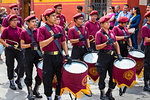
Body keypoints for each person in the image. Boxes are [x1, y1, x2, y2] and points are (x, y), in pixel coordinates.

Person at [37, 8, 72, 100]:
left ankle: (58, 95)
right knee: (48, 77)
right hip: (48, 56)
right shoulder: (42, 29)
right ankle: (49, 96)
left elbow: (64, 42)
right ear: (47, 17)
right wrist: (52, 38)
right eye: (52, 16)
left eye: (55, 15)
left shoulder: (60, 28)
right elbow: (41, 44)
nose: (55, 17)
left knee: (60, 76)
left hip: (59, 56)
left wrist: (67, 55)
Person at [95, 15, 122, 100]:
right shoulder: (99, 33)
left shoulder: (111, 32)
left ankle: (109, 92)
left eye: (109, 22)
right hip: (103, 56)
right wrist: (106, 44)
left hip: (112, 56)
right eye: (106, 22)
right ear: (102, 24)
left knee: (113, 75)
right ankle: (102, 93)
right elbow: (97, 47)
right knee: (102, 76)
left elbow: (116, 43)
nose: (108, 23)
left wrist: (119, 54)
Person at [20, 15, 43, 100]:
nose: (35, 23)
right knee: (28, 73)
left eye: (35, 21)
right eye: (32, 22)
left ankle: (36, 90)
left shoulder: (39, 31)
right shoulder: (24, 32)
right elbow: (22, 45)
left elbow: (41, 43)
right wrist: (29, 45)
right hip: (28, 53)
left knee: (40, 73)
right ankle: (30, 92)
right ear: (28, 23)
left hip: (38, 54)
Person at [0, 14, 24, 90]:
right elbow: (1, 39)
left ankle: (19, 80)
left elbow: (22, 39)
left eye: (16, 20)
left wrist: (22, 46)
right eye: (13, 20)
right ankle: (11, 81)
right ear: (10, 22)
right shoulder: (6, 30)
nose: (15, 22)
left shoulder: (20, 29)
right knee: (10, 66)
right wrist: (7, 45)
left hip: (18, 49)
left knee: (22, 65)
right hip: (10, 49)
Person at [141, 11, 150, 92]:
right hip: (148, 48)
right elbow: (146, 39)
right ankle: (146, 84)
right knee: (147, 66)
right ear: (148, 18)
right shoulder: (145, 27)